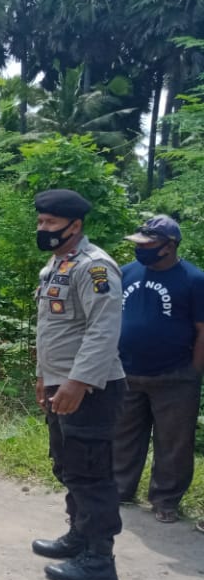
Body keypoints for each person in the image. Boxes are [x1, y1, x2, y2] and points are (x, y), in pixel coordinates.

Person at [31, 189, 126, 580]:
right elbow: (51, 331)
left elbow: (103, 331)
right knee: (68, 465)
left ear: (75, 225)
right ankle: (79, 535)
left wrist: (77, 382)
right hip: (60, 383)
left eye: (51, 224)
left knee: (91, 471)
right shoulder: (54, 266)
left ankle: (99, 559)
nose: (43, 229)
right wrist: (43, 377)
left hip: (90, 388)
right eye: (40, 222)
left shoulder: (96, 267)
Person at [113, 215, 204, 524]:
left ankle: (165, 500)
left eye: (148, 245)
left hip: (175, 376)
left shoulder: (193, 279)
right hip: (127, 371)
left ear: (170, 246)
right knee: (122, 435)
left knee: (174, 443)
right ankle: (119, 489)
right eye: (139, 243)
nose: (141, 249)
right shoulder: (126, 273)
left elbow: (202, 329)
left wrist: (193, 370)